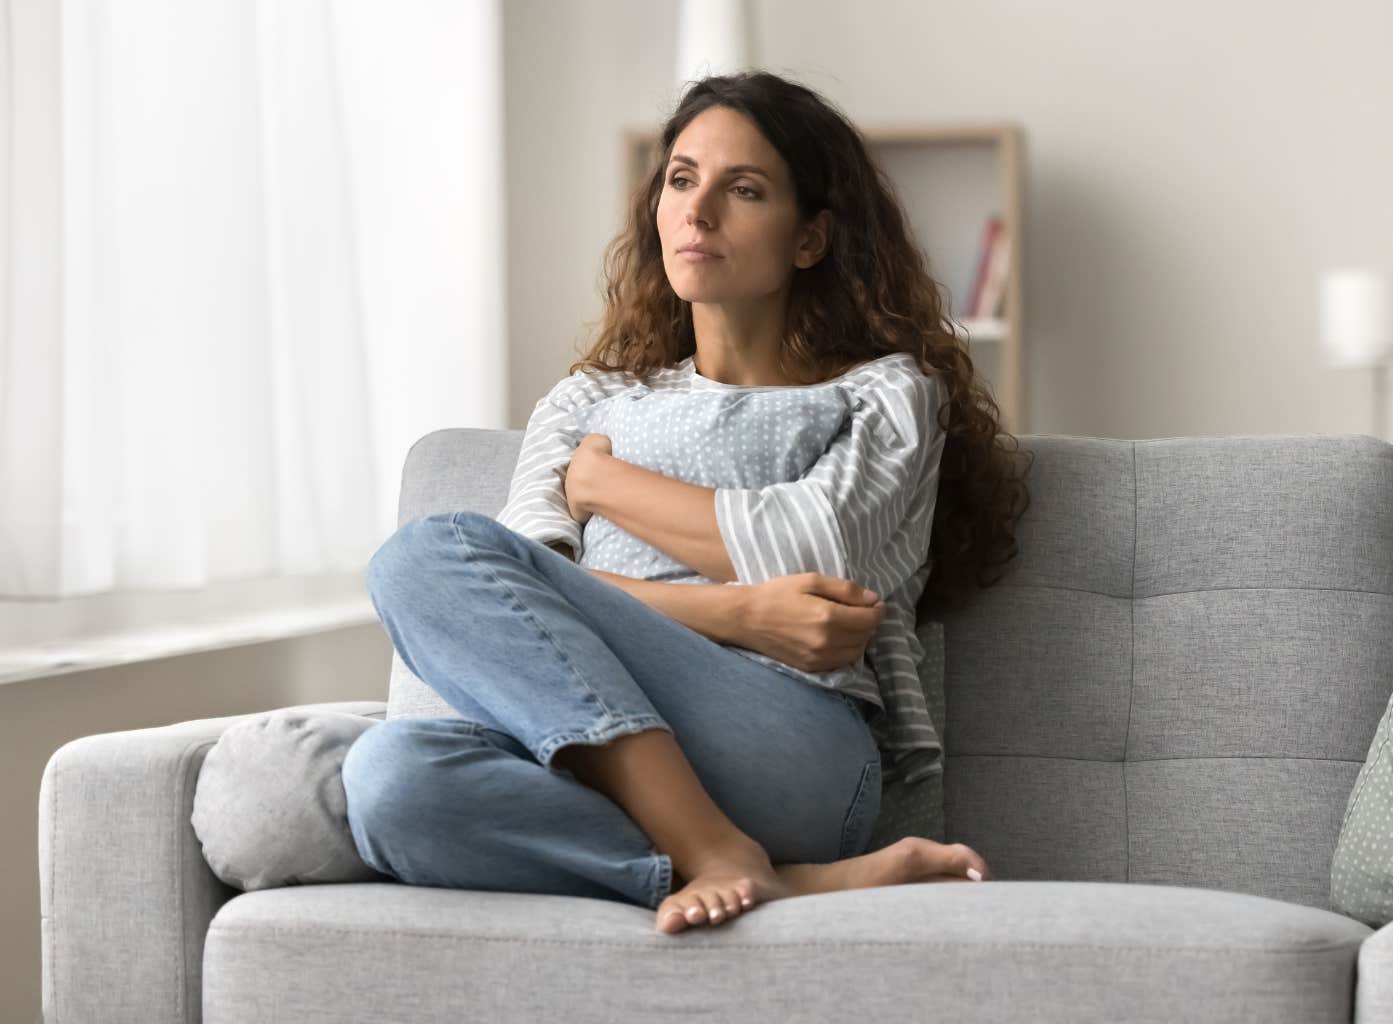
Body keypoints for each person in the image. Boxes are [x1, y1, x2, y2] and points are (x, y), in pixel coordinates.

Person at [341, 71, 1033, 935]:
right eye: (680, 179)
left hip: (786, 743)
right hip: (591, 759)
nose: (698, 210)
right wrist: (740, 611)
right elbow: (519, 592)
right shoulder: (586, 400)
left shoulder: (887, 394)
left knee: (426, 554)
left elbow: (808, 551)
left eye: (743, 190)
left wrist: (605, 486)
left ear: (811, 238)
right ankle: (768, 872)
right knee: (389, 781)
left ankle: (722, 849)